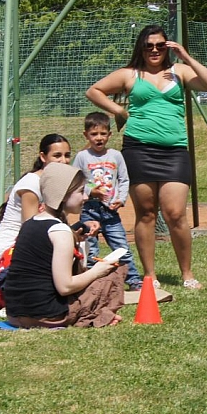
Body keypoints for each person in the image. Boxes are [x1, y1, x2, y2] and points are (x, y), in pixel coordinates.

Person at [86, 24, 207, 289]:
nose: (154, 50)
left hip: (175, 151)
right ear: (141, 48)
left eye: (160, 45)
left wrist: (185, 55)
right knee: (146, 213)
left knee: (175, 213)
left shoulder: (179, 72)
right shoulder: (130, 74)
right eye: (149, 46)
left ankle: (187, 274)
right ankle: (149, 275)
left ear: (167, 47)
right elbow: (94, 91)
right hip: (138, 149)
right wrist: (119, 111)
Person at [2, 163, 125, 328]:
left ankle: (95, 313)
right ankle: (98, 314)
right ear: (63, 194)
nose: (86, 197)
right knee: (114, 273)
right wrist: (97, 271)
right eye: (80, 191)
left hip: (14, 314)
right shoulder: (60, 231)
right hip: (47, 315)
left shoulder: (30, 223)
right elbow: (65, 287)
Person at [0, 134, 72, 311]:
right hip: (9, 251)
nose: (64, 161)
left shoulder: (55, 182)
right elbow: (31, 230)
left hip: (28, 246)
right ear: (43, 157)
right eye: (57, 155)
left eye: (67, 155)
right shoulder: (32, 185)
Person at [72, 112, 143, 290]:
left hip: (110, 211)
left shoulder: (115, 156)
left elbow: (124, 179)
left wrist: (120, 199)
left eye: (103, 134)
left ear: (109, 135)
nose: (99, 138)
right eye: (94, 134)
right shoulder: (82, 157)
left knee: (121, 247)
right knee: (91, 250)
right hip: (89, 210)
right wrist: (91, 191)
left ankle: (134, 280)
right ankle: (90, 282)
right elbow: (76, 181)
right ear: (86, 135)